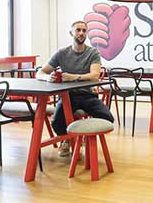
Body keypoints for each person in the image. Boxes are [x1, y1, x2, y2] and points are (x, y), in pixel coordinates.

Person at [39, 21, 115, 156]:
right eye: (78, 30)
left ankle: (83, 134)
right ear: (71, 33)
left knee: (107, 117)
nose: (81, 33)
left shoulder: (93, 52)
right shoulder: (61, 53)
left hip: (87, 95)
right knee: (56, 123)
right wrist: (47, 77)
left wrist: (73, 77)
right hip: (67, 96)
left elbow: (95, 76)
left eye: (84, 31)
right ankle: (67, 140)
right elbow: (40, 72)